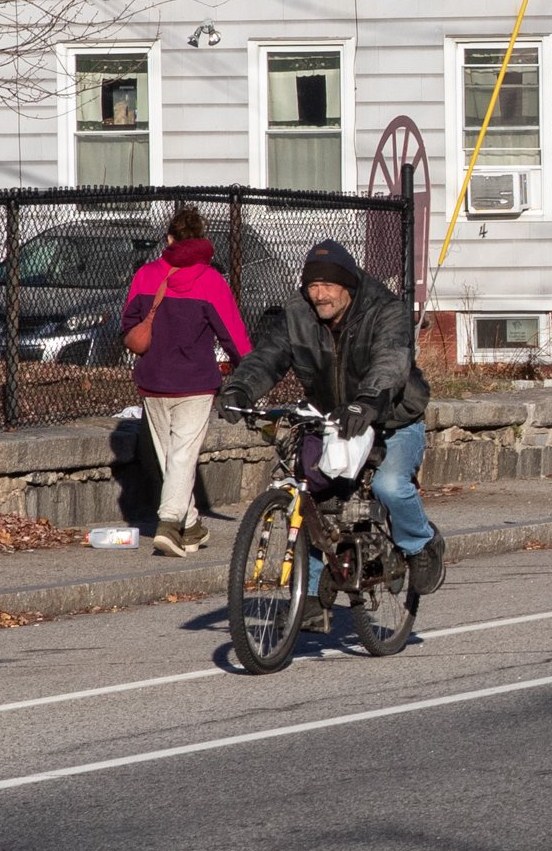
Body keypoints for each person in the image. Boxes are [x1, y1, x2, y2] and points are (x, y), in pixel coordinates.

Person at [225, 239, 440, 598]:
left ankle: (421, 545)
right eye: (312, 285)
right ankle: (308, 599)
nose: (319, 295)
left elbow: (390, 361)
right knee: (311, 494)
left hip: (391, 418)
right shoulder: (298, 313)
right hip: (332, 421)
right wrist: (240, 389)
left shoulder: (386, 310)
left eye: (327, 285)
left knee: (389, 486)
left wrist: (368, 401)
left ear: (348, 286)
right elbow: (268, 356)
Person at [121, 204, 249, 557]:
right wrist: (251, 372)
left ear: (169, 239)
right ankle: (168, 524)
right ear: (203, 238)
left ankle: (190, 525)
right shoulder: (211, 281)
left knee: (170, 459)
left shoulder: (145, 275)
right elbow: (234, 337)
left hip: (153, 381)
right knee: (181, 457)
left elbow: (128, 324)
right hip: (195, 383)